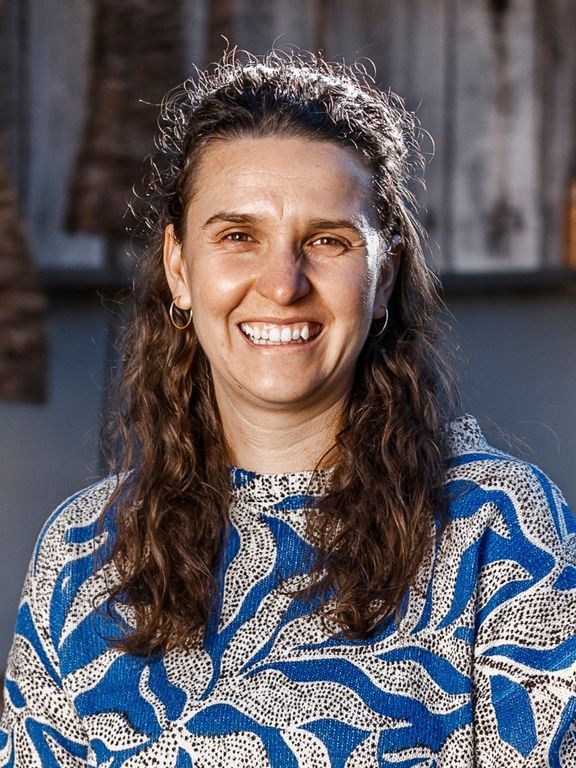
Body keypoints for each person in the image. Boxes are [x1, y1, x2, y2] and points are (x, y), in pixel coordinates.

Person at [1, 50, 575, 767]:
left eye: (327, 240)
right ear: (180, 268)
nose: (282, 284)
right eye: (238, 237)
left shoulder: (499, 529)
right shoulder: (84, 548)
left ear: (385, 276)